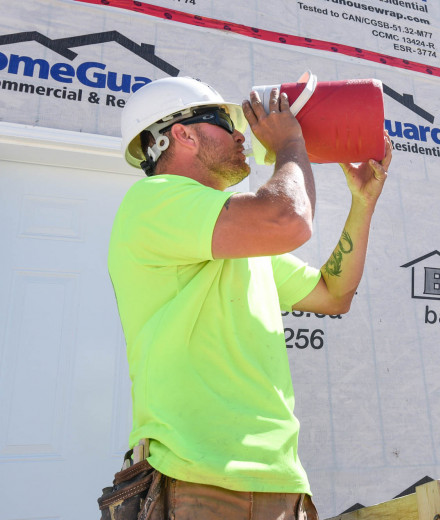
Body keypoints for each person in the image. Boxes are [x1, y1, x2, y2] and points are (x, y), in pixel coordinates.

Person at [109, 76, 391, 519]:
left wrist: (362, 203)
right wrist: (290, 143)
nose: (244, 135)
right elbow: (288, 219)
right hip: (195, 474)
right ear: (180, 133)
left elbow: (334, 293)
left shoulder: (236, 236)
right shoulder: (152, 202)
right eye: (224, 121)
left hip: (279, 480)